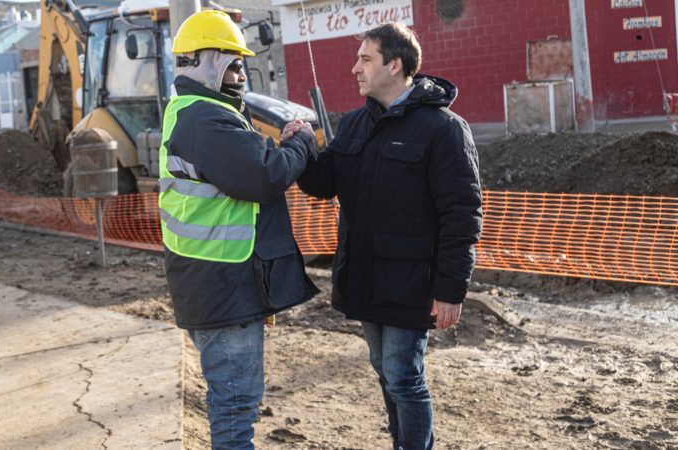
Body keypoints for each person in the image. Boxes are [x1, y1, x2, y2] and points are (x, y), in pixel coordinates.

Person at [290, 23, 482, 450]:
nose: (355, 67)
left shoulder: (444, 129)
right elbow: (326, 182)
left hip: (413, 282)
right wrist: (305, 146)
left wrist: (451, 290)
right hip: (364, 274)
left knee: (403, 375)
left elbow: (462, 215)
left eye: (365, 59)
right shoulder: (356, 123)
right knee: (384, 368)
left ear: (395, 65)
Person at [158, 10, 319, 450]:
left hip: (216, 286)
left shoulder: (196, 112)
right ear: (207, 60)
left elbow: (242, 169)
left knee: (234, 403)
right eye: (232, 63)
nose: (241, 74)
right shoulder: (206, 119)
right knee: (234, 406)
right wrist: (301, 144)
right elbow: (262, 176)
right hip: (222, 290)